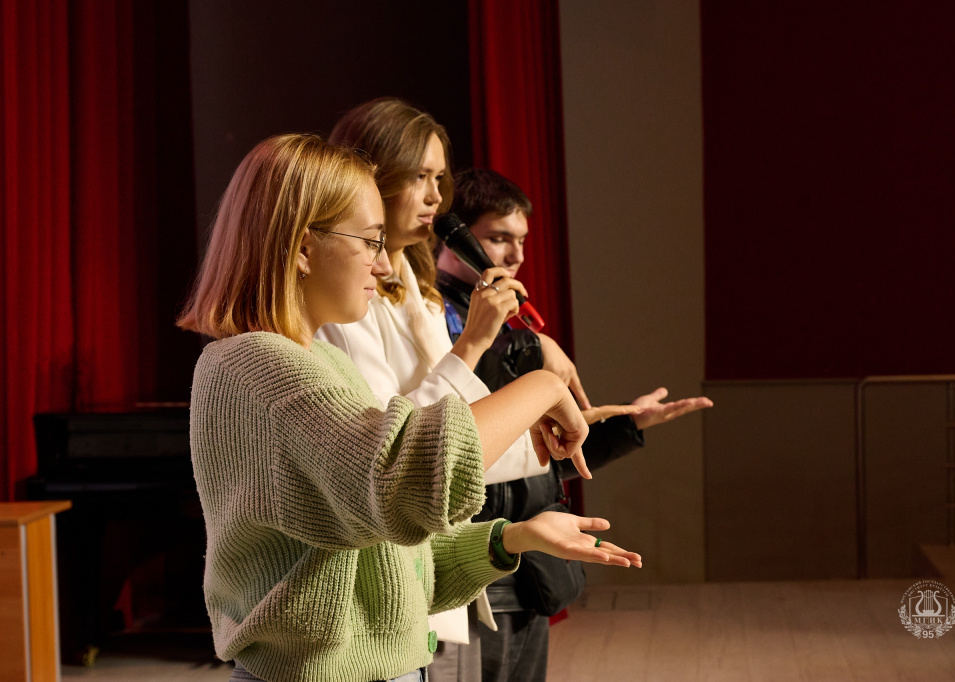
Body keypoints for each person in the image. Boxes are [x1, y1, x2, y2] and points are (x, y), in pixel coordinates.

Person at [177, 134, 641, 682]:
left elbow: (388, 560)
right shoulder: (256, 363)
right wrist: (540, 386)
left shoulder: (319, 360)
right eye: (370, 241)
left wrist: (512, 536)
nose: (383, 265)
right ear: (303, 248)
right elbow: (401, 481)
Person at [315, 98, 602, 682]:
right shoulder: (343, 301)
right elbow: (395, 453)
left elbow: (457, 432)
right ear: (368, 175)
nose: (433, 198)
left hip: (440, 557)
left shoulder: (415, 288)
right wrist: (474, 345)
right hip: (384, 572)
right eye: (418, 177)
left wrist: (549, 438)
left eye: (439, 179)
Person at [436, 167, 712, 682]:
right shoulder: (440, 320)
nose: (516, 256)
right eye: (498, 238)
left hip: (528, 565)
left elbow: (538, 457)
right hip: (475, 562)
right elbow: (454, 443)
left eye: (521, 241)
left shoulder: (502, 328)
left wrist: (625, 424)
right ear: (454, 238)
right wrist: (532, 345)